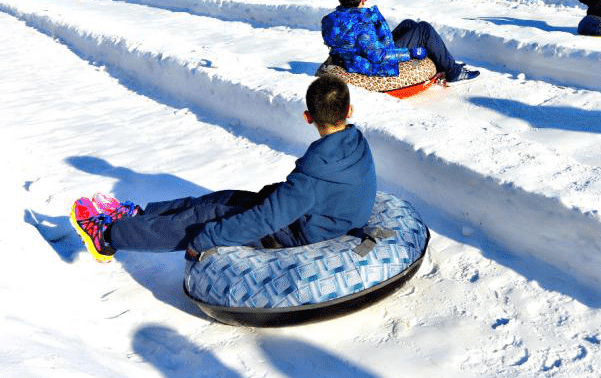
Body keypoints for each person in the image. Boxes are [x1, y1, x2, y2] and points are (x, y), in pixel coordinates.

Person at [71, 76, 377, 263]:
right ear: (349, 111)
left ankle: (109, 235)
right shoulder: (357, 142)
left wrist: (205, 240)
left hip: (297, 235)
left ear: (308, 117)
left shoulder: (312, 176)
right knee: (220, 199)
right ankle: (138, 215)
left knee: (200, 221)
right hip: (313, 217)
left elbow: (265, 220)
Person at [321, 0, 479, 83]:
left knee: (408, 24)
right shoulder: (361, 25)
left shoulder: (331, 19)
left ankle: (444, 62)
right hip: (369, 60)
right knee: (424, 29)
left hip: (357, 53)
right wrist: (410, 53)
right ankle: (453, 71)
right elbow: (378, 56)